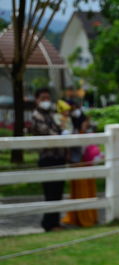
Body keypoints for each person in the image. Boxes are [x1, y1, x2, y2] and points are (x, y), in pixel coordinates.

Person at [32, 88, 66, 232]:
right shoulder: (36, 115)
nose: (46, 101)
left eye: (48, 98)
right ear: (37, 100)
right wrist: (61, 132)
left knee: (58, 191)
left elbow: (62, 127)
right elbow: (46, 131)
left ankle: (55, 222)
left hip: (59, 156)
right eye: (43, 98)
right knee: (50, 192)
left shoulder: (53, 114)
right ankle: (49, 223)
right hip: (47, 158)